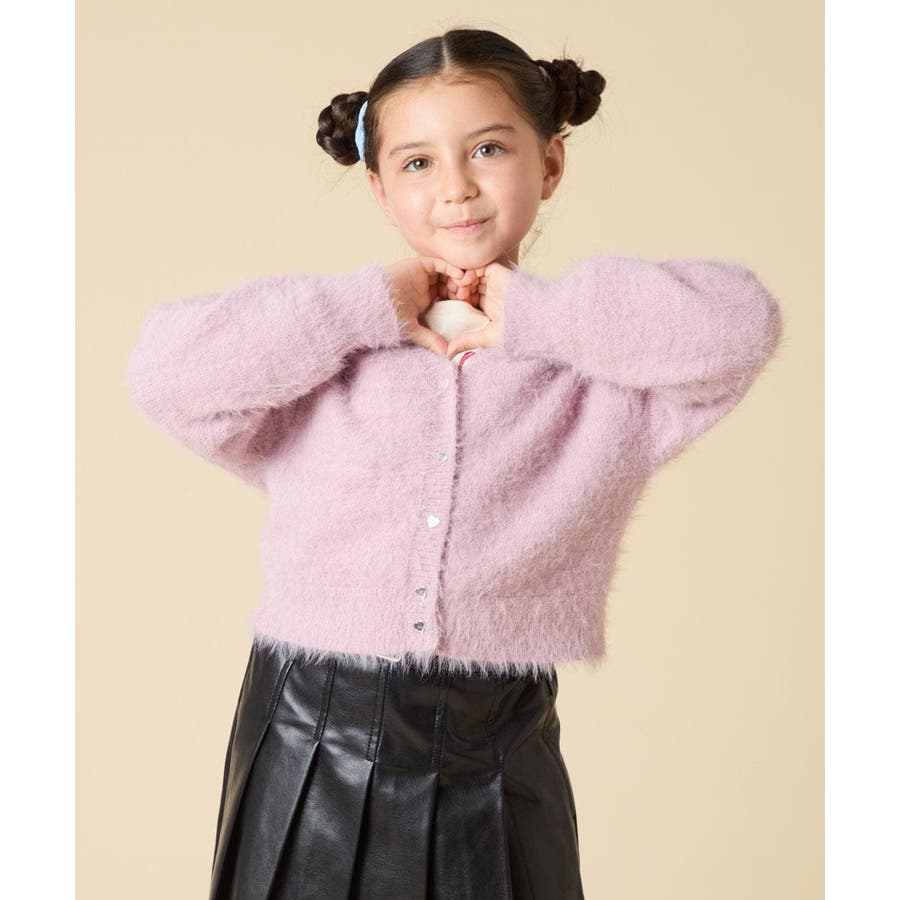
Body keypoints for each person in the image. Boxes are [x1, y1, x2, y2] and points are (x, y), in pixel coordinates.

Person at [125, 26, 784, 900]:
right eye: (417, 163)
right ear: (378, 186)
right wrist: (364, 305)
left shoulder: (597, 372)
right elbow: (165, 371)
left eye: (489, 149)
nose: (457, 187)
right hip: (310, 725)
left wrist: (535, 315)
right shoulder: (329, 358)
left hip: (497, 735)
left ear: (550, 162)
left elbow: (741, 323)